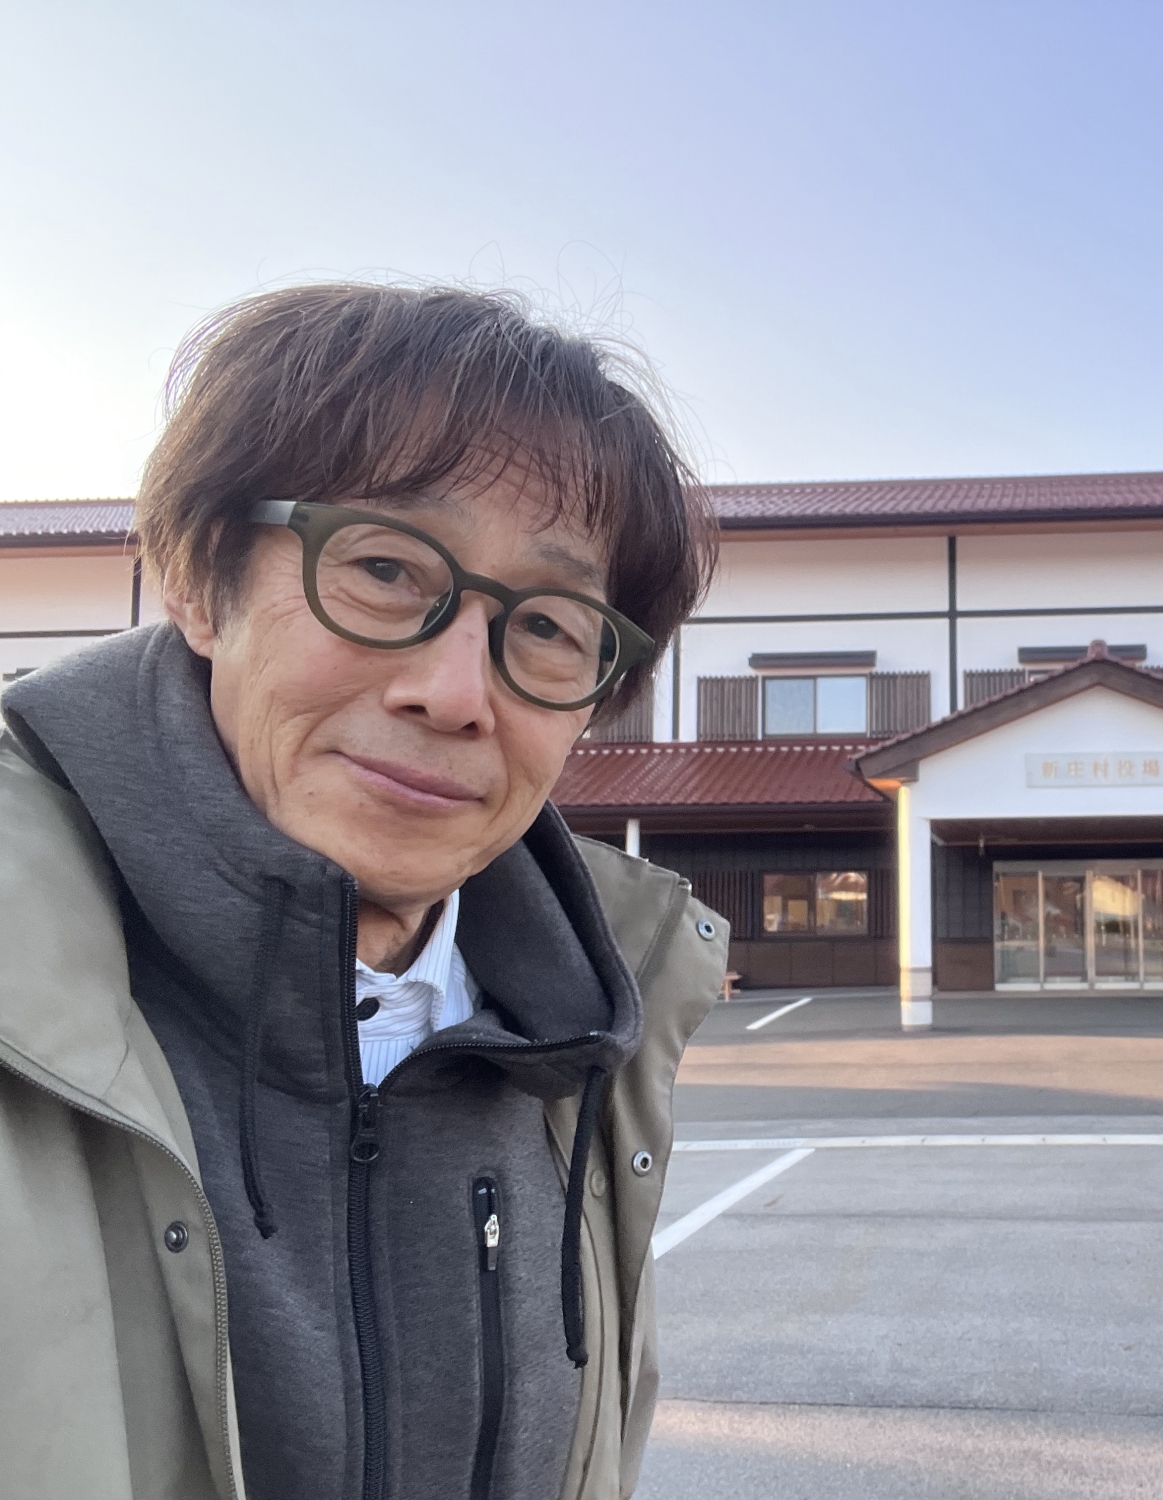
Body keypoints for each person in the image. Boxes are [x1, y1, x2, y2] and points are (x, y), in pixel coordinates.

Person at [0, 284, 727, 1500]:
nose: (456, 692)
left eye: (548, 627)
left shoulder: (588, 1036)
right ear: (198, 579)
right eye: (386, 567)